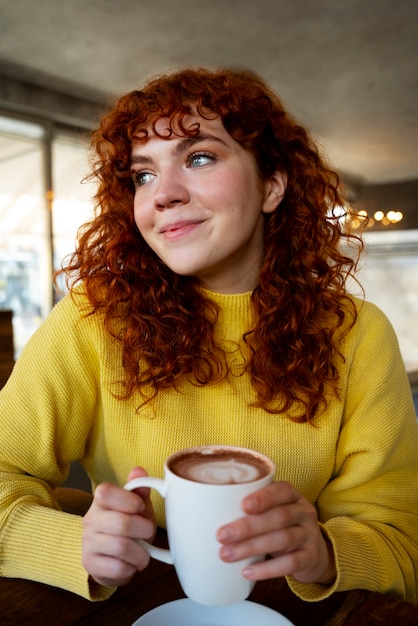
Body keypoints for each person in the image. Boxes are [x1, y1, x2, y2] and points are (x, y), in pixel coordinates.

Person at [1, 67, 417, 605]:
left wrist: (327, 554)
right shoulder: (93, 318)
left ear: (272, 185)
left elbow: (401, 540)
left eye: (199, 157)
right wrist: (70, 542)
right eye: (143, 175)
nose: (163, 195)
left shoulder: (357, 334)